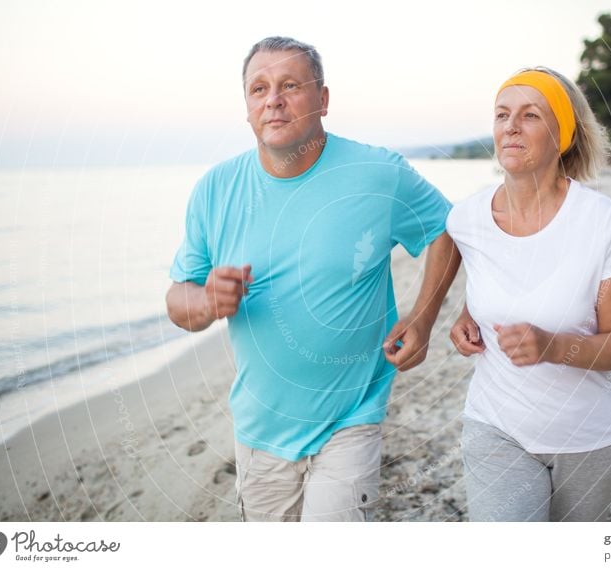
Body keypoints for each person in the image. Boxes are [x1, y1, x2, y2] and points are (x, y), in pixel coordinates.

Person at [165, 36, 459, 522]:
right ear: (247, 107)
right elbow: (179, 298)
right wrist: (206, 302)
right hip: (260, 429)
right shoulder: (215, 189)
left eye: (289, 86)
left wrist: (424, 318)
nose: (273, 100)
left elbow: (445, 228)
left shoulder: (377, 173)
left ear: (322, 100)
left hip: (352, 417)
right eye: (258, 88)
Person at [446, 67, 611, 521]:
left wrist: (553, 346)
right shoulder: (467, 218)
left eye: (530, 115)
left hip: (590, 441)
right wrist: (464, 316)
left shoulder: (600, 220)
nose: (510, 126)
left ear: (563, 134)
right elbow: (490, 280)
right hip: (496, 427)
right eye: (502, 114)